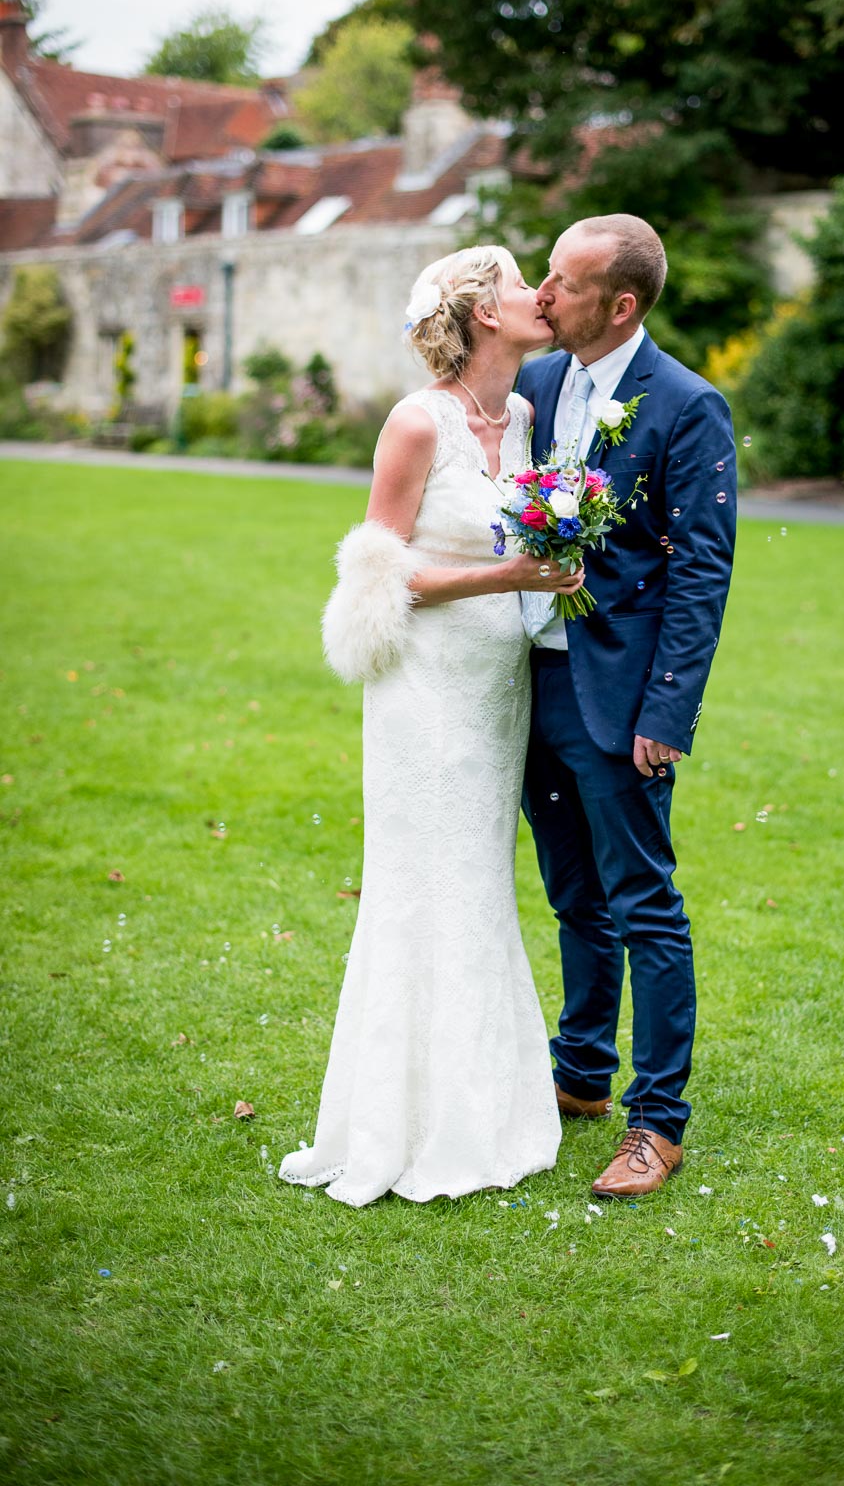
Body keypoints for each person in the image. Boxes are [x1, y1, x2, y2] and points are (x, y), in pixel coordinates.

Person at [278, 246, 584, 1208]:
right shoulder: (417, 423)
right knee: (426, 883)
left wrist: (553, 564)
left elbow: (526, 537)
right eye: (518, 282)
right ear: (482, 314)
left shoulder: (528, 415)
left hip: (500, 684)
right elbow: (384, 568)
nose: (539, 292)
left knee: (482, 879)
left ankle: (488, 1106)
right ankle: (399, 1124)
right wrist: (506, 576)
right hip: (425, 687)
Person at [516, 214, 736, 1199]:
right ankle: (579, 1075)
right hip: (526, 680)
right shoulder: (537, 382)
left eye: (563, 281)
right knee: (573, 896)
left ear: (622, 304)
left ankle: (659, 1123)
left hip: (622, 698)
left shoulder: (687, 406)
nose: (543, 292)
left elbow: (700, 571)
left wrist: (668, 714)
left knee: (644, 904)